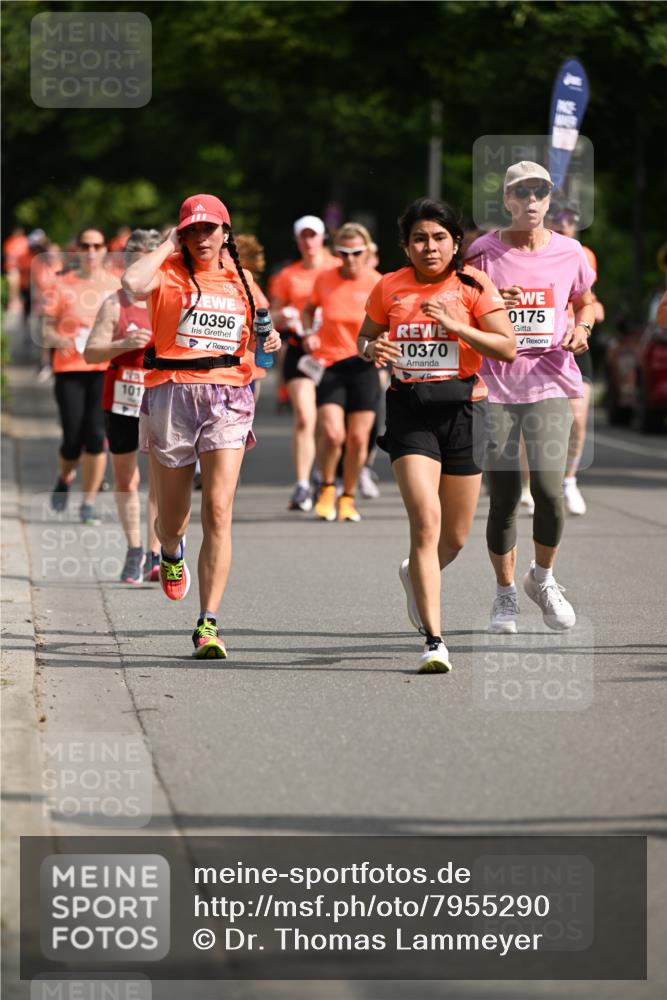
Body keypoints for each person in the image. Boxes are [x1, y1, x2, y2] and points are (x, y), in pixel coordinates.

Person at [356, 198, 514, 672]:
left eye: (439, 238)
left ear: (455, 243)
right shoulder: (389, 287)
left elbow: (505, 348)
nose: (430, 247)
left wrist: (456, 325)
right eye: (420, 239)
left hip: (466, 409)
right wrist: (372, 347)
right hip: (410, 411)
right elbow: (364, 338)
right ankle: (434, 640)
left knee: (456, 536)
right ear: (405, 246)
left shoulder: (473, 284)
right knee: (425, 521)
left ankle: (413, 575)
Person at [122, 193, 281, 658]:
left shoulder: (244, 281)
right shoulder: (166, 273)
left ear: (226, 232)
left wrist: (268, 337)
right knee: (171, 520)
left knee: (218, 508)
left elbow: (262, 336)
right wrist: (168, 243)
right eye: (191, 229)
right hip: (171, 390)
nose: (200, 237)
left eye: (209, 228)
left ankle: (208, 623)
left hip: (229, 393)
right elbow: (132, 282)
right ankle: (171, 551)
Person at [466, 161, 596, 635]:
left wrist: (581, 328)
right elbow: (462, 304)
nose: (532, 202)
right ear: (507, 201)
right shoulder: (483, 251)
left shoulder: (570, 251)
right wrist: (498, 300)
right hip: (496, 384)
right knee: (502, 497)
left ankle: (542, 578)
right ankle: (504, 596)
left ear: (549, 200)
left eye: (540, 193)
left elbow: (585, 300)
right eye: (522, 194)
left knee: (548, 490)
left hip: (549, 378)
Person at [84, 229, 162, 583]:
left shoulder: (170, 299)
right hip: (122, 394)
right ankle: (134, 549)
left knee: (162, 477)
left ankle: (156, 552)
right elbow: (90, 352)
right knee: (127, 479)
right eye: (136, 262)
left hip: (161, 394)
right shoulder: (115, 303)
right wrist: (124, 343)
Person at [301, 222, 381, 522]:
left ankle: (347, 496)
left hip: (364, 364)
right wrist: (309, 331)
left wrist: (384, 342)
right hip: (331, 363)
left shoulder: (378, 281)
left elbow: (392, 319)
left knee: (359, 438)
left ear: (367, 252)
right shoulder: (324, 279)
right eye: (343, 253)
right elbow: (309, 309)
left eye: (356, 252)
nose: (349, 259)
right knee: (333, 433)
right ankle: (326, 487)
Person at [42, 226, 119, 524]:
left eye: (97, 246)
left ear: (104, 250)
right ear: (76, 249)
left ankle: (88, 502)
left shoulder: (115, 285)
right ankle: (65, 476)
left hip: (104, 369)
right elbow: (47, 325)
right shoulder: (62, 284)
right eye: (85, 246)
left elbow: (126, 324)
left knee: (97, 436)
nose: (90, 251)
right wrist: (57, 339)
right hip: (70, 369)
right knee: (72, 439)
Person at [270, 215, 339, 512]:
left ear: (323, 237)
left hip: (333, 352)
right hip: (300, 350)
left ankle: (323, 478)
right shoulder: (288, 275)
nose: (309, 242)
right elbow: (271, 316)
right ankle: (300, 485)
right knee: (304, 418)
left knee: (329, 427)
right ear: (297, 240)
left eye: (314, 235)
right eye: (303, 236)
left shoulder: (338, 268)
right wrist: (282, 317)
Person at [547, 201, 605, 515]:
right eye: (559, 220)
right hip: (540, 346)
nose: (565, 226)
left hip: (573, 343)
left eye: (571, 221)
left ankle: (569, 480)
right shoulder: (534, 252)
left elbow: (587, 297)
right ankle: (528, 485)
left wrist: (591, 312)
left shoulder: (584, 254)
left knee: (578, 419)